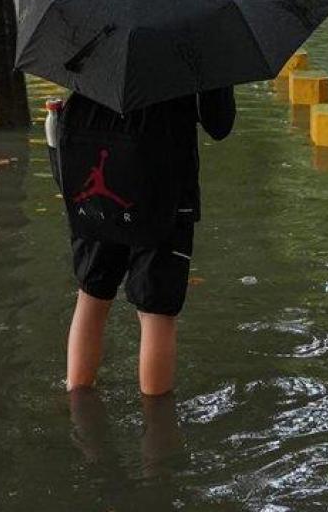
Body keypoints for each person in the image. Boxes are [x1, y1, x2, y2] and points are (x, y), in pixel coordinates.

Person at [59, 87, 235, 397]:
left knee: (91, 295)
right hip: (165, 189)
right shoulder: (193, 44)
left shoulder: (87, 41)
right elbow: (219, 123)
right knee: (156, 312)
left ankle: (79, 415)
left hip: (101, 174)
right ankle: (158, 433)